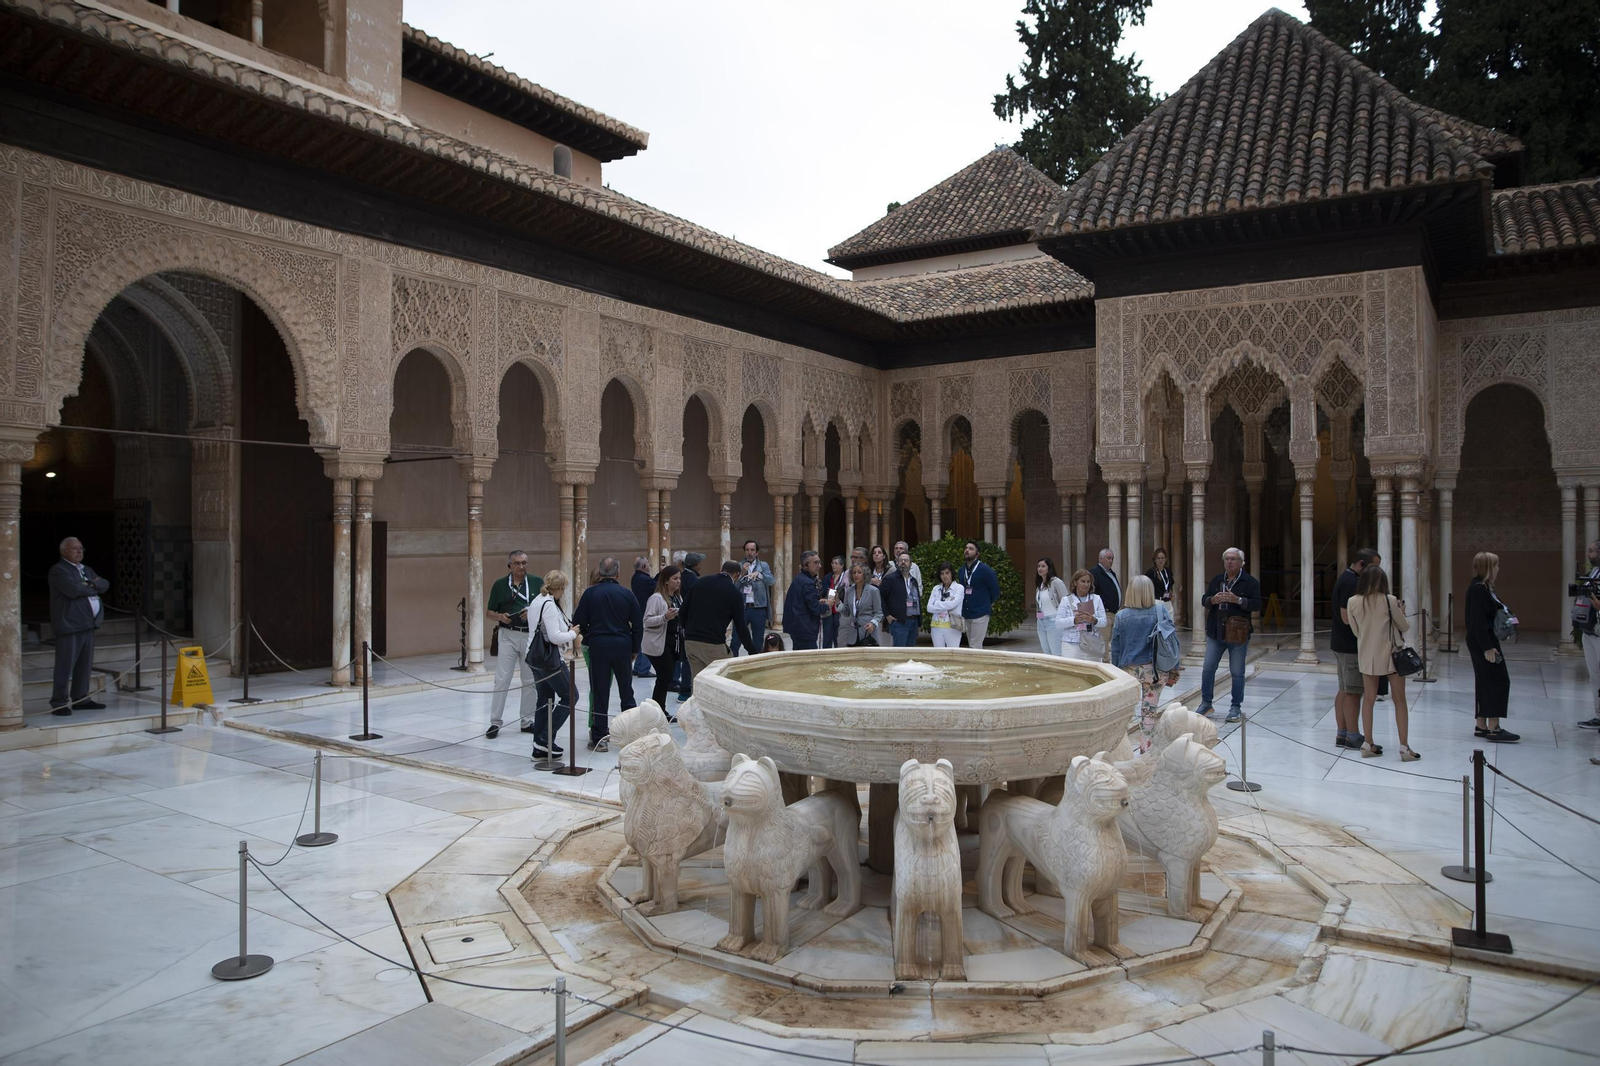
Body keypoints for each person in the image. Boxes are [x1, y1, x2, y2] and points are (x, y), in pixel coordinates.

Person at [1347, 565, 1419, 761]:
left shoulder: (1352, 601)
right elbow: (1404, 626)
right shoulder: (1389, 600)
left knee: (1368, 699)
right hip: (1391, 655)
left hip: (1367, 655)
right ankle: (1404, 747)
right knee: (1399, 700)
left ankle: (1368, 743)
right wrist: (1402, 612)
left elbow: (1356, 631)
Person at [572, 556, 643, 752]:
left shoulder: (590, 593)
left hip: (599, 647)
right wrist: (634, 648)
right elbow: (638, 624)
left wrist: (591, 634)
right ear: (618, 573)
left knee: (600, 693)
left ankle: (599, 738)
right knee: (626, 692)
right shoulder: (627, 594)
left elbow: (578, 621)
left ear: (601, 572)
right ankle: (630, 735)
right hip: (622, 646)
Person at [1110, 575, 1181, 752]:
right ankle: (1145, 747)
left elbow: (1116, 648)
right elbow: (1172, 641)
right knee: (1150, 711)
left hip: (1130, 672)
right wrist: (1175, 668)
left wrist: (1115, 673)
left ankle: (1121, 748)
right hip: (1156, 670)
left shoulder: (1121, 616)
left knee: (1125, 712)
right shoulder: (1160, 610)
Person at [483, 549, 546, 738]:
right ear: (509, 565)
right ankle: (495, 722)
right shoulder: (500, 585)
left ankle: (527, 721)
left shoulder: (536, 582)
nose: (521, 566)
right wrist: (500, 616)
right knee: (502, 679)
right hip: (508, 635)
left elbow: (547, 607)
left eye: (524, 563)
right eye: (517, 563)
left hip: (529, 635)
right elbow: (489, 612)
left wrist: (532, 612)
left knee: (529, 680)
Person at [1199, 547, 1262, 723]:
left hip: (1237, 634)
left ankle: (1235, 707)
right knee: (1208, 668)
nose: (1229, 562)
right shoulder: (1218, 580)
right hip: (1216, 631)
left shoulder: (1250, 582)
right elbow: (1204, 599)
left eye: (1233, 559)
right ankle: (1206, 703)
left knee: (1237, 671)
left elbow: (1257, 604)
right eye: (1227, 559)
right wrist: (1212, 600)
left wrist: (1238, 600)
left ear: (1241, 562)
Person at [47, 537, 109, 715]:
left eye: (81, 548)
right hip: (70, 624)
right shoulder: (58, 570)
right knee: (65, 665)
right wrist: (94, 585)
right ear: (64, 551)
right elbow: (73, 590)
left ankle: (81, 699)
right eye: (74, 548)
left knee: (84, 664)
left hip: (88, 624)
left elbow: (105, 585)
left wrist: (90, 583)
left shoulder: (86, 569)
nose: (79, 551)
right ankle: (59, 702)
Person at [1465, 552, 1520, 743]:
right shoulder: (1479, 589)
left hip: (1482, 640)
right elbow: (1478, 621)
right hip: (1484, 641)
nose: (1498, 568)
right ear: (1488, 567)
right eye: (1496, 565)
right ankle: (1494, 727)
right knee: (1498, 680)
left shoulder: (1484, 587)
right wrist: (1487, 647)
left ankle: (1481, 724)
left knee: (1485, 680)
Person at [526, 570, 580, 760]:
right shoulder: (548, 604)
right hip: (548, 659)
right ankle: (545, 738)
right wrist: (573, 633)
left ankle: (539, 748)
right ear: (560, 588)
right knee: (571, 696)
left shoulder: (538, 600)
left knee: (545, 699)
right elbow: (555, 637)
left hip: (535, 657)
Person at [1330, 549, 1380, 749]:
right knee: (1352, 691)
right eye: (1373, 567)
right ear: (1361, 564)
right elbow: (1346, 617)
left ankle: (1342, 733)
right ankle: (1352, 735)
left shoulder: (1347, 578)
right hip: (1349, 645)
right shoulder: (1351, 582)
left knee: (1344, 689)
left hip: (1341, 643)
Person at [682, 559, 753, 683]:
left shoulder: (700, 582)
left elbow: (683, 611)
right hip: (713, 644)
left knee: (699, 684)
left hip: (691, 643)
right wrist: (752, 651)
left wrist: (688, 631)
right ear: (737, 575)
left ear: (722, 570)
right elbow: (741, 627)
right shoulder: (734, 592)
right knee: (726, 681)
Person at [642, 565, 685, 715]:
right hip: (659, 643)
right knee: (664, 677)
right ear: (666, 581)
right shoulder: (657, 598)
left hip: (673, 642)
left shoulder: (678, 597)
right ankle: (658, 711)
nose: (678, 581)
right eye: (675, 578)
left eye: (679, 578)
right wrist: (665, 617)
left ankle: (658, 710)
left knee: (666, 677)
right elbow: (647, 621)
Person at [732, 540, 775, 656]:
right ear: (744, 552)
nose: (749, 553)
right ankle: (733, 663)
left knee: (757, 642)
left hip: (758, 608)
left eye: (752, 550)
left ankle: (755, 663)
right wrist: (742, 574)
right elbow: (733, 587)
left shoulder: (763, 565)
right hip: (742, 608)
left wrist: (760, 575)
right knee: (735, 640)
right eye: (747, 550)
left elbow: (771, 581)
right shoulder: (738, 566)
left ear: (757, 552)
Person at [782, 550, 830, 650]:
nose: (819, 566)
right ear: (806, 565)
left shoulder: (800, 578)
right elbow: (815, 609)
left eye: (819, 562)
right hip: (804, 628)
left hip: (797, 627)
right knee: (808, 657)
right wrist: (827, 605)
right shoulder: (808, 582)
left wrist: (817, 602)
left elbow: (803, 602)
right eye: (816, 563)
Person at [673, 552, 704, 701]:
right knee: (689, 658)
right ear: (696, 565)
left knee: (683, 656)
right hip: (690, 623)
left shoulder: (682, 577)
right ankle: (686, 691)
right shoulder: (693, 580)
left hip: (682, 621)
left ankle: (682, 687)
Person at [1056, 568, 1106, 661]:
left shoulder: (1096, 599)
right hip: (1072, 644)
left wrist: (1094, 620)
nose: (1086, 585)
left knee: (1093, 669)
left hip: (1092, 643)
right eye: (1083, 581)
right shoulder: (1066, 600)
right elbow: (1058, 623)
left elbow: (1104, 622)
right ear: (1075, 582)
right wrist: (1074, 620)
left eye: (1088, 582)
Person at [958, 540, 1000, 648]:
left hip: (980, 613)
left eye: (971, 549)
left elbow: (995, 590)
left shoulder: (985, 570)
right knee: (971, 644)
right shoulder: (962, 570)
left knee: (975, 645)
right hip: (967, 613)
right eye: (966, 548)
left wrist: (988, 603)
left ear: (977, 554)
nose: (967, 550)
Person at [1578, 541, 1600, 730]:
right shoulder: (1594, 572)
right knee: (1595, 676)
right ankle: (1598, 714)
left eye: (1591, 551)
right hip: (1590, 630)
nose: (1588, 554)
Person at [881, 551, 923, 647]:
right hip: (899, 622)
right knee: (899, 653)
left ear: (911, 564)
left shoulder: (914, 581)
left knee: (910, 653)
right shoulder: (890, 579)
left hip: (914, 621)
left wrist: (919, 621)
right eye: (901, 560)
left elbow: (917, 600)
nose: (903, 562)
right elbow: (879, 597)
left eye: (906, 560)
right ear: (897, 563)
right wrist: (887, 615)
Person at [839, 562, 883, 647]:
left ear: (865, 574)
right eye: (854, 572)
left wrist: (873, 623)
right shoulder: (850, 590)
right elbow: (846, 612)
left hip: (868, 633)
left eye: (859, 572)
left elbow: (878, 613)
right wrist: (838, 603)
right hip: (852, 634)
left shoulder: (873, 591)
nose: (856, 575)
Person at [1034, 558, 1070, 656]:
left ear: (1049, 568)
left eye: (1043, 566)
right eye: (1038, 566)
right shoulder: (1040, 585)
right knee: (1046, 652)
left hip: (1054, 621)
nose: (1040, 568)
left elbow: (1066, 600)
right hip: (1041, 622)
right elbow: (1040, 604)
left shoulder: (1056, 582)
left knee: (1056, 652)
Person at [1092, 548, 1123, 661]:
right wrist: (1102, 606)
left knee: (1111, 641)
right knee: (1103, 642)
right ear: (1100, 558)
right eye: (1108, 558)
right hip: (1104, 613)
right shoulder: (1095, 572)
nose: (1111, 561)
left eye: (1112, 558)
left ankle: (1108, 663)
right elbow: (1093, 593)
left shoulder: (1110, 573)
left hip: (1114, 613)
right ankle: (1103, 665)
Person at [630, 556, 656, 678]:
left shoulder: (635, 577)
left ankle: (638, 667)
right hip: (646, 614)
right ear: (644, 566)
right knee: (648, 642)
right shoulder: (645, 580)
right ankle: (644, 669)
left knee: (642, 641)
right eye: (648, 564)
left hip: (639, 613)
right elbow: (658, 586)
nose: (649, 566)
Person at [928, 562, 964, 648]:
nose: (945, 576)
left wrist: (936, 604)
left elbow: (952, 604)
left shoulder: (959, 588)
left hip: (952, 626)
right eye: (942, 573)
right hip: (936, 626)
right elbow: (929, 608)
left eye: (947, 573)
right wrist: (946, 604)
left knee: (953, 653)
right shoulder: (936, 588)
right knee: (939, 653)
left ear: (952, 574)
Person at [821, 555, 848, 649]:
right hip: (828, 609)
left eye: (836, 563)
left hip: (839, 610)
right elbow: (823, 591)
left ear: (842, 565)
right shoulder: (827, 577)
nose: (833, 565)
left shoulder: (846, 578)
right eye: (832, 563)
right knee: (827, 635)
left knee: (838, 635)